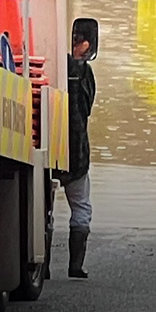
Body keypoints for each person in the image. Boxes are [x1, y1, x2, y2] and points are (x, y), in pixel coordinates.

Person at [60, 20, 98, 279]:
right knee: (81, 207)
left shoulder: (54, 65)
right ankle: (75, 265)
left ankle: (41, 265)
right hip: (78, 151)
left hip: (45, 146)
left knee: (45, 211)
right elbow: (86, 109)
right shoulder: (84, 72)